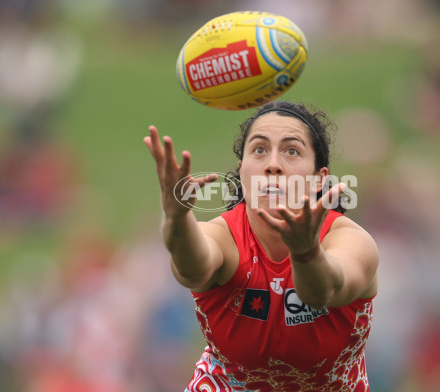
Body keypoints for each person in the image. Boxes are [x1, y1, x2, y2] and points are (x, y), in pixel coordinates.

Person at [143, 100, 379, 391]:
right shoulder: (224, 236)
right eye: (259, 150)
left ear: (319, 179)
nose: (273, 165)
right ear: (242, 171)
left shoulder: (350, 241)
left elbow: (321, 292)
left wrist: (306, 252)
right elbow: (191, 269)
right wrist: (177, 217)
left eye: (292, 150)